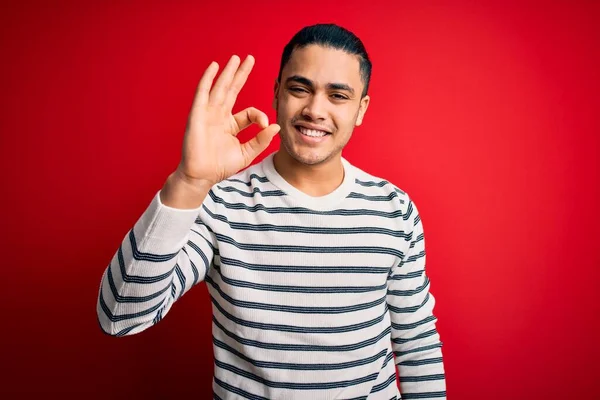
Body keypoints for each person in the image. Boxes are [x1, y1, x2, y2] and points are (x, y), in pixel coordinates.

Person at [97, 23, 446, 399]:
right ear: (277, 92)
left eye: (338, 96)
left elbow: (416, 342)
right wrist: (188, 181)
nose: (315, 110)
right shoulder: (221, 203)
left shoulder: (394, 209)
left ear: (361, 109)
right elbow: (120, 317)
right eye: (300, 89)